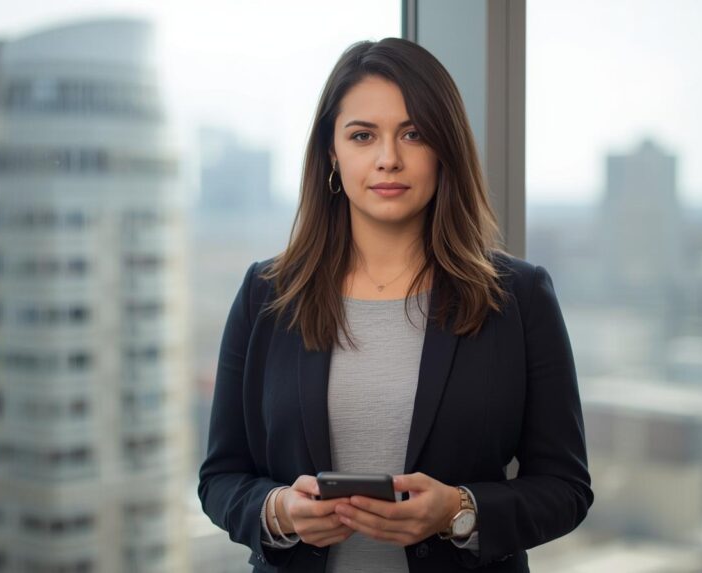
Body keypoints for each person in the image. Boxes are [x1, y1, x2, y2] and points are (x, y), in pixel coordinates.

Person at [198, 37, 592, 573]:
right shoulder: (267, 295)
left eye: (413, 133)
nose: (389, 158)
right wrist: (279, 513)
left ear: (445, 148)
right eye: (363, 136)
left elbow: (566, 487)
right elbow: (221, 477)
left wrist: (460, 512)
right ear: (332, 154)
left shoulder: (518, 298)